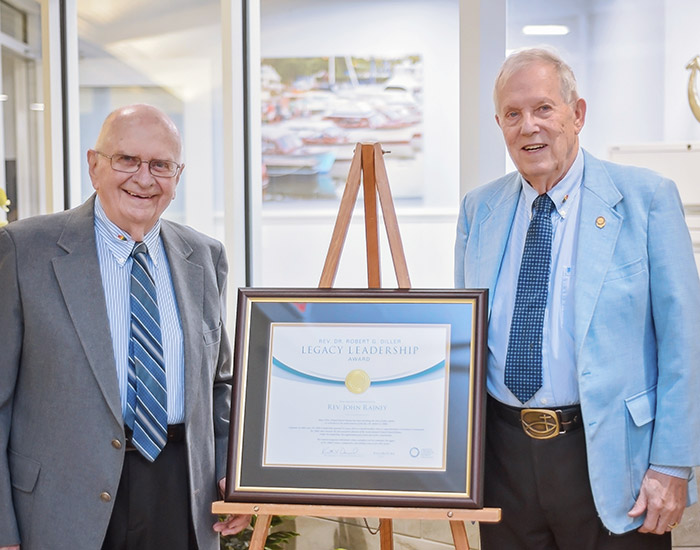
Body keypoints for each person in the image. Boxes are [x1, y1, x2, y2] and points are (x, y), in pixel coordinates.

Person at [454, 48, 700, 549]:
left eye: (544, 108)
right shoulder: (478, 209)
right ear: (499, 124)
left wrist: (673, 464)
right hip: (502, 458)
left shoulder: (646, 198)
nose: (529, 127)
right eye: (513, 115)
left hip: (612, 458)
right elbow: (465, 338)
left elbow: (685, 342)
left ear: (577, 114)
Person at [0, 104, 250, 549]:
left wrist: (233, 476)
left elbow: (220, 383)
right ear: (95, 166)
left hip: (182, 497)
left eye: (161, 165)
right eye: (127, 160)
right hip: (62, 505)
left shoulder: (204, 256)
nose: (144, 178)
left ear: (178, 176)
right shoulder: (24, 252)